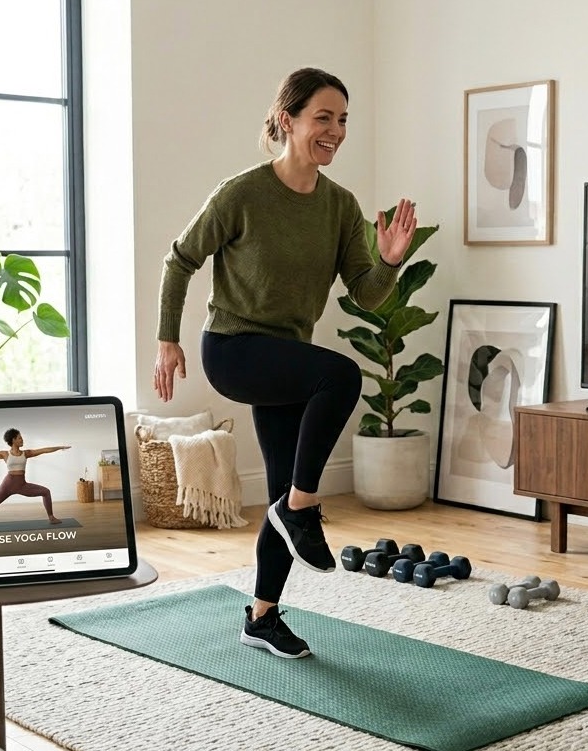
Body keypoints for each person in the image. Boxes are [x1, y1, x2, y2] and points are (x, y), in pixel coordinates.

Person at [153, 68, 417, 659]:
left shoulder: (340, 206)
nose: (336, 131)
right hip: (234, 349)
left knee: (279, 491)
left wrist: (392, 260)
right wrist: (167, 340)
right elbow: (180, 259)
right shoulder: (242, 193)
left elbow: (366, 295)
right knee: (341, 375)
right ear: (286, 120)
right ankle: (302, 507)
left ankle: (262, 614)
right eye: (323, 118)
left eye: (343, 119)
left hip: (287, 359)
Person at [0, 429, 71, 529]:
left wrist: (59, 448)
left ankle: (51, 518)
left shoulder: (26, 453)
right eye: (20, 438)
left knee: (46, 492)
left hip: (22, 485)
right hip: (7, 485)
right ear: (13, 440)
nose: (22, 440)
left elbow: (44, 450)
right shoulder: (4, 454)